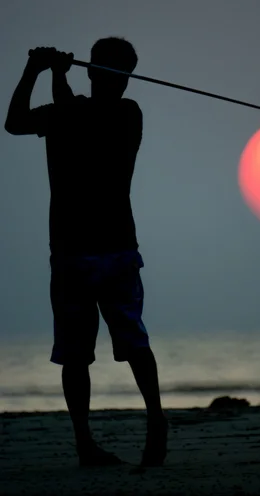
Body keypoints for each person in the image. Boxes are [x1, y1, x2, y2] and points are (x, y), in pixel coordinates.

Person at [4, 38, 168, 468]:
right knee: (77, 353)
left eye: (116, 70)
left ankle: (156, 422)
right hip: (74, 252)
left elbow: (75, 117)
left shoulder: (126, 113)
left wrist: (50, 70)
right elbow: (14, 122)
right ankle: (85, 443)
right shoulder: (66, 111)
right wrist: (36, 72)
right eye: (105, 67)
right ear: (92, 70)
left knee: (132, 341)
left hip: (110, 250)